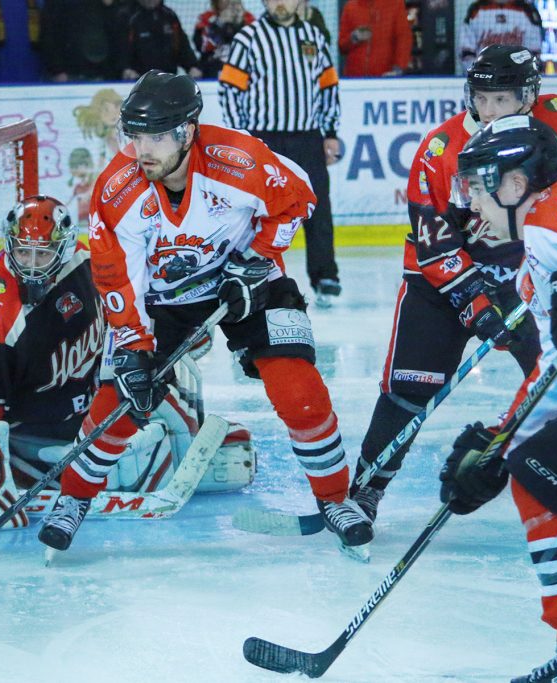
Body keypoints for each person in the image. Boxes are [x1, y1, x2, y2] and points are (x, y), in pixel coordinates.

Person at [38, 70, 372, 552]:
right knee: (124, 398)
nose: (143, 150)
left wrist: (256, 258)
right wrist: (134, 346)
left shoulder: (237, 160)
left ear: (187, 131)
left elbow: (299, 196)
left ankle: (335, 498)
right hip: (164, 302)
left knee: (297, 387)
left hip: (248, 283)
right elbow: (116, 277)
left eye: (156, 137)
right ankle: (73, 499)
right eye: (135, 136)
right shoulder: (117, 191)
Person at [349, 44, 557, 536]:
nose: (491, 111)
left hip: (531, 273)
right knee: (411, 385)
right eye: (483, 99)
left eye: (504, 99)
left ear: (530, 94)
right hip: (447, 279)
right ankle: (367, 488)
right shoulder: (441, 149)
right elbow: (433, 245)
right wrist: (476, 303)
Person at [441, 114, 557, 683]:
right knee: (540, 463)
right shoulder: (541, 259)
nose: (470, 205)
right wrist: (500, 445)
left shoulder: (556, 213)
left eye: (477, 187)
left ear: (515, 185)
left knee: (541, 470)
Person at [0, 195, 249, 504]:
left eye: (41, 255)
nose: (30, 265)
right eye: (23, 253)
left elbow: (132, 307)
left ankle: (186, 446)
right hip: (31, 432)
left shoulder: (84, 263)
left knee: (162, 397)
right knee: (125, 466)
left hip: (83, 406)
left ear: (65, 247)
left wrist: (182, 322)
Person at [218, 0, 343, 306]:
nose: (280, 3)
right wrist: (243, 136)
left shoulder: (314, 36)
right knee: (256, 210)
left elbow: (328, 87)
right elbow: (229, 89)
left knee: (317, 207)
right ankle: (252, 268)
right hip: (264, 140)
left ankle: (325, 275)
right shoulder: (248, 38)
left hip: (307, 138)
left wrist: (330, 132)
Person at [119, 0, 202, 80]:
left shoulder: (170, 16)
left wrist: (192, 66)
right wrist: (125, 68)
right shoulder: (127, 17)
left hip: (169, 80)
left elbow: (182, 46)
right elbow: (120, 49)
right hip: (137, 81)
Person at [38, 0, 113, 82]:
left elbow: (114, 31)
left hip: (101, 71)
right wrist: (57, 70)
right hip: (69, 73)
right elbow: (48, 33)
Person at [458, 0, 542, 71]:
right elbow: (466, 53)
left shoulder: (527, 11)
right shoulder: (476, 10)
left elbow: (534, 53)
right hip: (483, 78)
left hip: (517, 78)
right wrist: (480, 73)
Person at [337, 0, 411, 77]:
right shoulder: (350, 7)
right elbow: (342, 45)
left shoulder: (395, 4)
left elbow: (404, 38)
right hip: (355, 78)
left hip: (385, 77)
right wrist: (354, 37)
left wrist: (398, 69)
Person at [192, 0, 253, 79]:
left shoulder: (248, 18)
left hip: (239, 69)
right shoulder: (206, 18)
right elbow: (202, 47)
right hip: (211, 68)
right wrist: (220, 22)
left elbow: (251, 46)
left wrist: (239, 23)